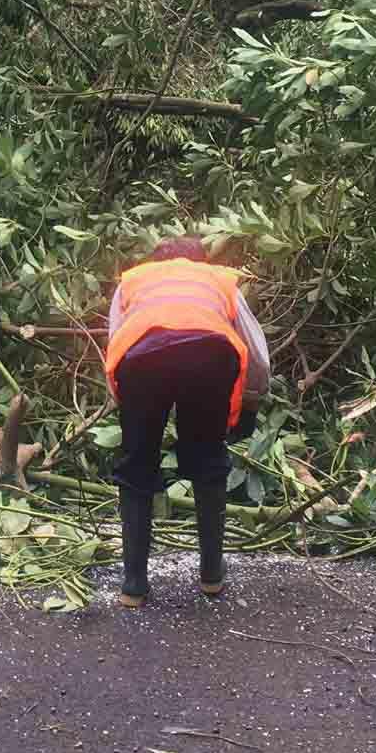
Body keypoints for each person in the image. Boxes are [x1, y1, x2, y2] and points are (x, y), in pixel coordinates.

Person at [102, 237, 270, 607]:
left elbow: (117, 340)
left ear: (155, 260)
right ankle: (211, 574)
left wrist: (130, 409)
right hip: (210, 355)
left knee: (136, 467)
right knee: (207, 462)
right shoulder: (218, 279)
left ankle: (134, 586)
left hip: (142, 358)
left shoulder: (133, 279)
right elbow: (256, 353)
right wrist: (251, 404)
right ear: (200, 260)